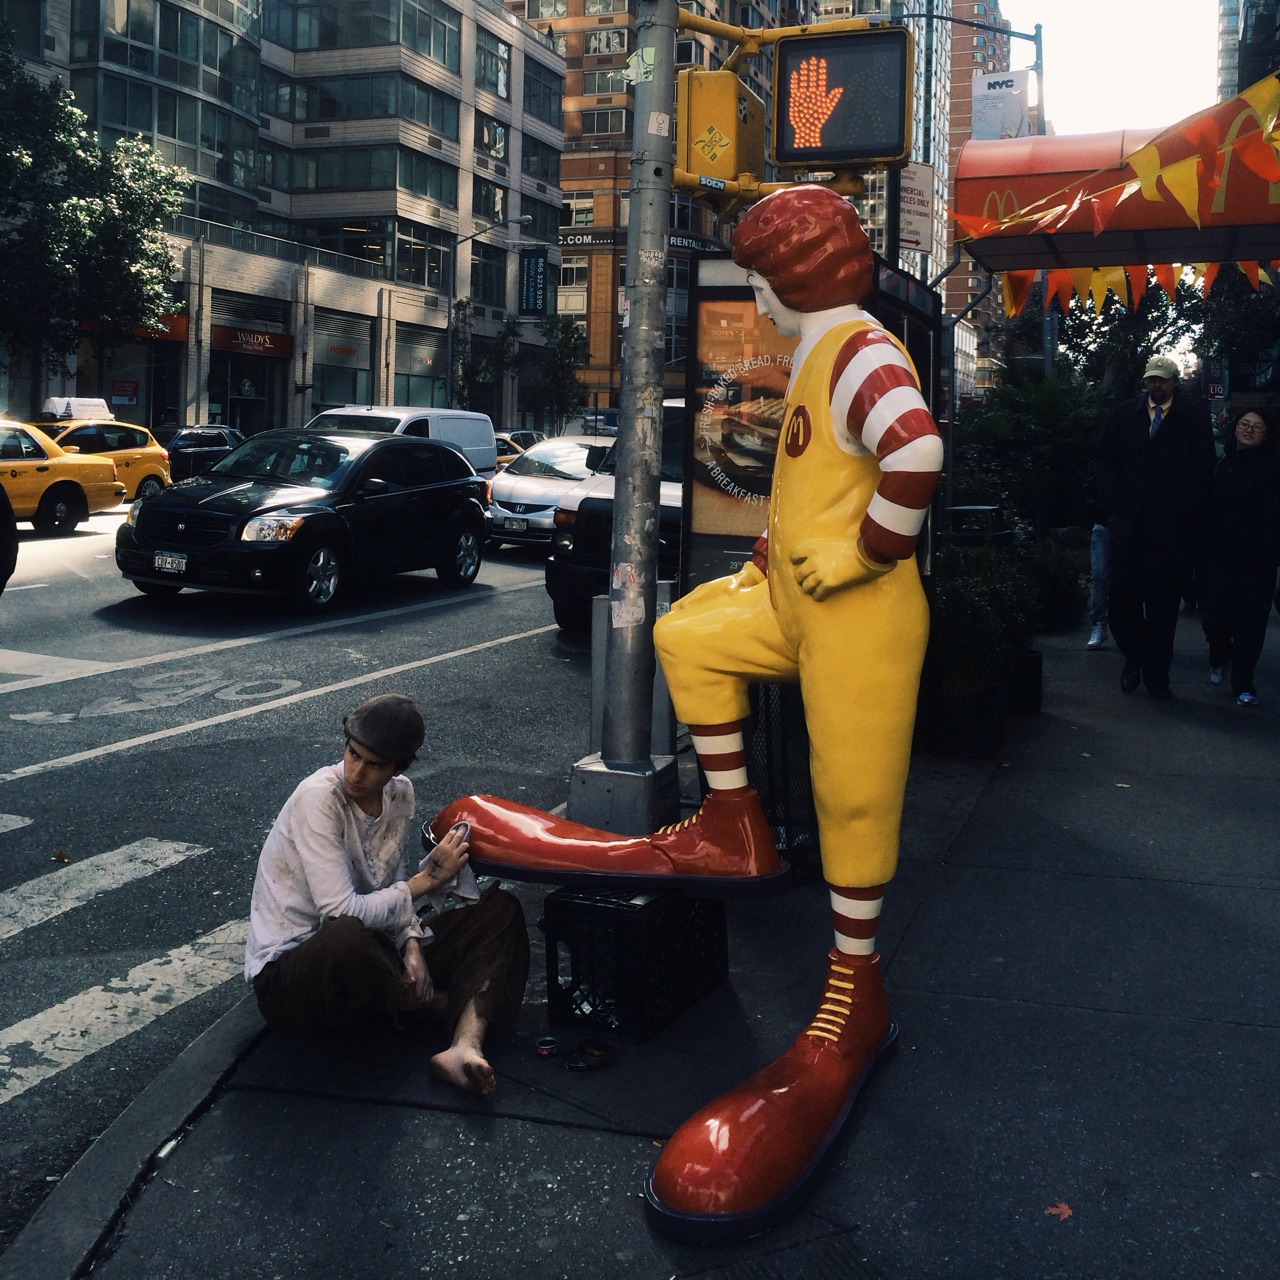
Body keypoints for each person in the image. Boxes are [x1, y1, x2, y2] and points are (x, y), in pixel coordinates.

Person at [244, 694, 529, 1096]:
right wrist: (426, 881)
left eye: (374, 764)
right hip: (297, 978)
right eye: (352, 754)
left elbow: (389, 885)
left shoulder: (401, 794)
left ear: (398, 768)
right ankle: (428, 1004)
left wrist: (411, 945)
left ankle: (464, 1046)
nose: (356, 773)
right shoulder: (319, 796)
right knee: (347, 936)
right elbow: (340, 911)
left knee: (499, 910)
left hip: (376, 958)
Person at [1095, 354, 1216, 698]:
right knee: (1122, 606)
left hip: (1171, 534)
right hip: (1129, 529)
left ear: (1175, 381)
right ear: (1145, 382)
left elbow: (1202, 467)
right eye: (1152, 380)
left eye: (1163, 380)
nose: (1157, 385)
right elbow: (1105, 460)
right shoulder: (1123, 415)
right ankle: (1135, 658)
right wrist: (1116, 501)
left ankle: (1156, 675)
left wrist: (1181, 509)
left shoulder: (1193, 417)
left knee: (1164, 613)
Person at [1198, 406, 1280, 706]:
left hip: (1257, 561)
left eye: (1257, 427)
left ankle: (1244, 683)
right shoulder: (1222, 463)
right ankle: (1219, 655)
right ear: (1234, 428)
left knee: (1250, 625)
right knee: (1214, 618)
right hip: (1219, 557)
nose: (1249, 429)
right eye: (1245, 424)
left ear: (1266, 435)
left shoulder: (1271, 468)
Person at [1083, 462, 1108, 649]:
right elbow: (1088, 488)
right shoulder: (1103, 458)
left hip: (1125, 524)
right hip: (1104, 523)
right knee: (1099, 576)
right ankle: (1098, 624)